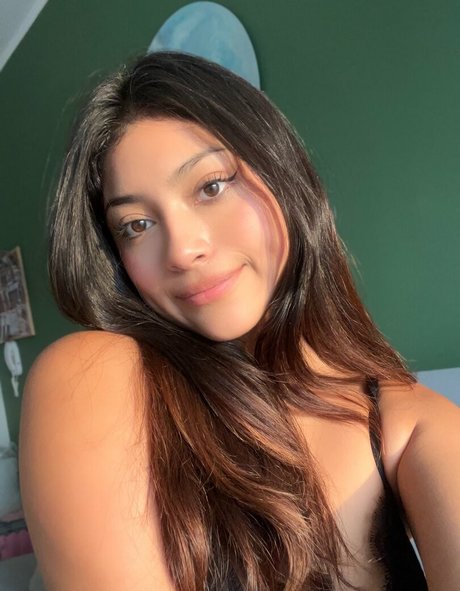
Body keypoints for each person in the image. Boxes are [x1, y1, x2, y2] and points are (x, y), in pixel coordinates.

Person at [19, 51, 460, 591]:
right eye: (136, 225)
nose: (182, 250)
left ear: (281, 170)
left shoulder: (401, 417)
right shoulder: (93, 373)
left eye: (210, 187)